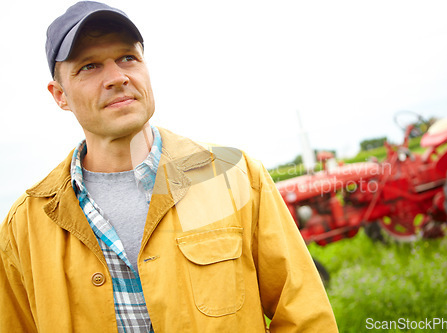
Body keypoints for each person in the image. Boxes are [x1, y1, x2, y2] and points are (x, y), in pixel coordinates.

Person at [0, 1, 338, 332]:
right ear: (59, 95)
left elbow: (306, 317)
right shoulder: (23, 228)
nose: (117, 77)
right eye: (89, 66)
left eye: (127, 58)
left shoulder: (236, 177)